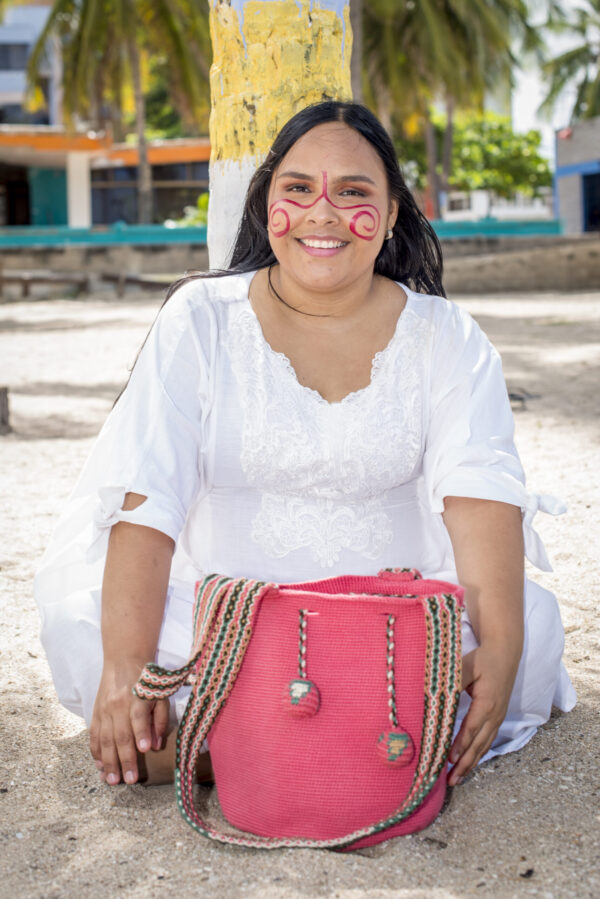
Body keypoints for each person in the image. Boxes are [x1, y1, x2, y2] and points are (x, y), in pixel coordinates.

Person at [34, 101, 575, 792]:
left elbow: (483, 492)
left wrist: (496, 649)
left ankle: (246, 745)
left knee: (517, 636)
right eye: (298, 188)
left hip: (393, 631)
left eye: (353, 191)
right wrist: (124, 665)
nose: (323, 211)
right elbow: (148, 497)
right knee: (97, 641)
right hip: (215, 629)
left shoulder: (447, 335)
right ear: (267, 208)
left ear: (392, 215)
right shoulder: (199, 319)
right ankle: (357, 741)